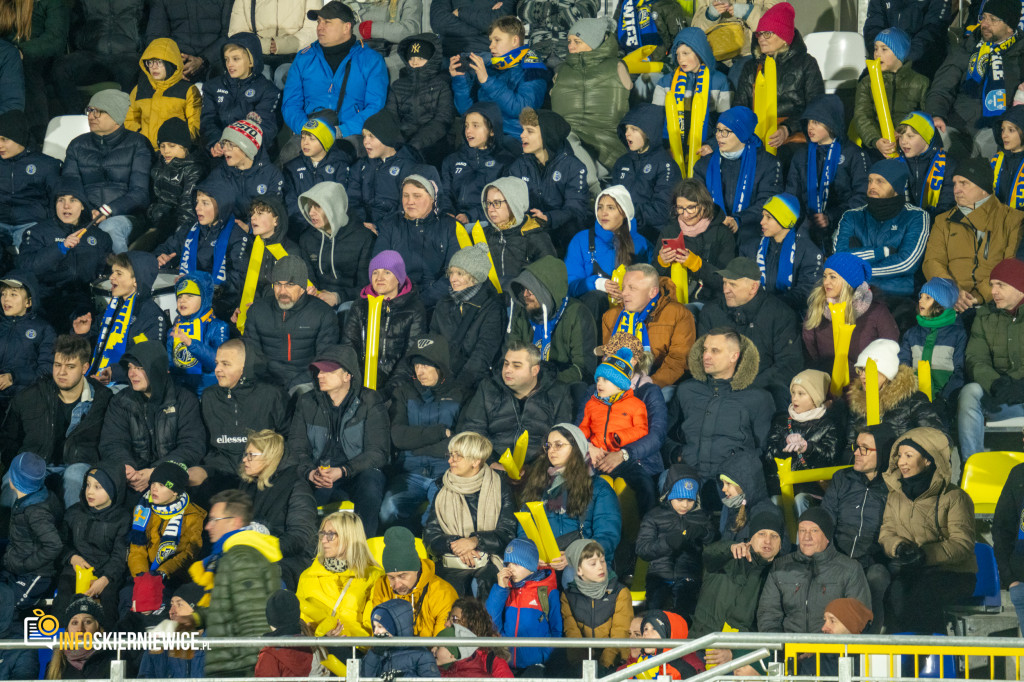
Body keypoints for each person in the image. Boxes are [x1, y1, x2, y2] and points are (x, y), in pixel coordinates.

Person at [879, 427, 977, 633]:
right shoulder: (895, 495)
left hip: (953, 574)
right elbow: (887, 533)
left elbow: (962, 544)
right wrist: (899, 548)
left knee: (919, 594)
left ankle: (931, 656)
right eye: (899, 456)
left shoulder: (955, 497)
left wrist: (925, 554)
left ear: (928, 460)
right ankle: (904, 657)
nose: (901, 462)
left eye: (908, 455)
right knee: (893, 592)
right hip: (911, 570)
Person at [0, 334, 112, 508]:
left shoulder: (103, 400)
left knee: (76, 475)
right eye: (57, 365)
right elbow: (8, 440)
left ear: (85, 368)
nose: (61, 372)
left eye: (70, 366)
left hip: (78, 465)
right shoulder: (29, 397)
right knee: (12, 485)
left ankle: (71, 532)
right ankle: (11, 533)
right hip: (35, 463)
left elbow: (110, 444)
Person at [288, 345, 389, 534]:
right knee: (291, 484)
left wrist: (343, 471)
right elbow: (296, 447)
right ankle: (305, 548)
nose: (319, 376)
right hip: (319, 472)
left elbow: (378, 452)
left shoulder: (369, 400)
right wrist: (310, 473)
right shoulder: (307, 401)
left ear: (347, 375)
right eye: (318, 370)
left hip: (356, 472)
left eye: (328, 371)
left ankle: (363, 550)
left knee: (371, 483)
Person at [381, 335, 468, 530]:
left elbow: (462, 440)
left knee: (437, 518)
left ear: (440, 366)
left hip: (447, 472)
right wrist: (441, 432)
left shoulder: (460, 393)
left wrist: (416, 440)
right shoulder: (404, 392)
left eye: (427, 366)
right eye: (417, 366)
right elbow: (399, 437)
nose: (420, 371)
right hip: (410, 472)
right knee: (388, 510)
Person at [192, 489, 283, 677]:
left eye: (214, 520)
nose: (208, 526)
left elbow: (255, 619)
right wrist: (191, 621)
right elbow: (227, 608)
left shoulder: (242, 557)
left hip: (240, 668)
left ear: (234, 522)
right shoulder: (230, 556)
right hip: (232, 664)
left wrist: (250, 670)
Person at [98, 339, 206, 495]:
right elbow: (112, 442)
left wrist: (156, 472)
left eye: (139, 368)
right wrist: (127, 467)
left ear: (157, 369)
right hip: (133, 479)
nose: (131, 373)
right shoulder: (120, 401)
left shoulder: (184, 400)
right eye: (129, 367)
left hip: (170, 479)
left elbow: (192, 446)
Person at [697, 256, 804, 409]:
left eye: (732, 284)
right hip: (716, 389)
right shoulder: (711, 312)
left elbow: (789, 363)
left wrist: (747, 387)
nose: (725, 289)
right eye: (725, 282)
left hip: (761, 391)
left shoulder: (780, 314)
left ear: (753, 287)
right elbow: (701, 357)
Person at [664, 330, 773, 481]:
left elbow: (764, 448)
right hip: (688, 475)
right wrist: (677, 454)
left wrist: (739, 469)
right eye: (705, 350)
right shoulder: (686, 390)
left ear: (734, 356)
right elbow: (663, 434)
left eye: (715, 351)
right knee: (667, 481)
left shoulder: (758, 397)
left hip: (733, 482)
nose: (706, 356)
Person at [822, 423, 897, 632]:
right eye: (856, 447)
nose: (857, 453)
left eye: (865, 449)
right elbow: (826, 520)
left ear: (882, 453)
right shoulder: (842, 479)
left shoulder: (894, 487)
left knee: (877, 577)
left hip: (872, 560)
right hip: (837, 557)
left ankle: (869, 642)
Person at [281, 1, 388, 149]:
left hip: (351, 135)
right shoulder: (304, 57)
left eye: (327, 22)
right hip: (309, 133)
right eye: (319, 22)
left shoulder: (371, 60)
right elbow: (290, 104)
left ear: (346, 27)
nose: (320, 27)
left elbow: (375, 107)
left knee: (344, 159)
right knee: (289, 158)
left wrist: (341, 131)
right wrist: (307, 130)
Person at [925, 0, 1024, 158]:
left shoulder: (1020, 56)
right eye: (983, 17)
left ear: (1009, 26)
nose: (985, 24)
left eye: (993, 19)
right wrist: (936, 114)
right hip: (958, 126)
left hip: (999, 131)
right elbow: (942, 87)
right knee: (932, 138)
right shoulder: (967, 48)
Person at [923, 157, 1024, 311]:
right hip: (951, 302)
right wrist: (952, 293)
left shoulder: (1013, 219)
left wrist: (979, 296)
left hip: (994, 303)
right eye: (955, 183)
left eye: (964, 183)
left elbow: (1011, 266)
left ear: (983, 187)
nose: (956, 189)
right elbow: (932, 261)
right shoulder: (943, 221)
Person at [424, 431, 517, 596]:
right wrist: (458, 545)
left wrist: (475, 541)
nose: (450, 460)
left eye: (457, 456)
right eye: (450, 455)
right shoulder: (442, 489)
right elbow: (430, 538)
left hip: (489, 560)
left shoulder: (500, 488)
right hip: (451, 562)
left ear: (476, 461)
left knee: (482, 583)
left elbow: (507, 534)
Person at [757, 508, 871, 641]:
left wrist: (824, 649)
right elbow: (768, 615)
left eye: (814, 531)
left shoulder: (849, 569)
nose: (806, 537)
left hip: (832, 654)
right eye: (802, 531)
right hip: (789, 652)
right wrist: (781, 648)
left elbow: (857, 618)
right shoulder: (780, 567)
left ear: (827, 536)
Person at [693, 513, 785, 674]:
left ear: (781, 544)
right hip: (701, 647)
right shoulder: (728, 558)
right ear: (750, 538)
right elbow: (709, 554)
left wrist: (735, 653)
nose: (767, 541)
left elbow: (766, 627)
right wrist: (729, 548)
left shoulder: (781, 577)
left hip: (738, 657)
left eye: (774, 536)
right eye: (761, 534)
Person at [61, 90, 151, 254]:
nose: (91, 116)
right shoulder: (77, 145)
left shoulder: (138, 143)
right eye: (90, 110)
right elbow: (70, 186)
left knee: (110, 227)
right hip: (86, 214)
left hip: (126, 216)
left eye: (99, 111)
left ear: (117, 116)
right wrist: (88, 211)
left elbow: (140, 194)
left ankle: (122, 273)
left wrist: (108, 211)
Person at [582, 333, 668, 503]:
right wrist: (588, 446)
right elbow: (580, 425)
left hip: (640, 463)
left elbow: (656, 435)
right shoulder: (594, 390)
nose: (604, 359)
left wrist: (623, 454)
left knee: (639, 491)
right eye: (605, 356)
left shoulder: (648, 392)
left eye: (609, 355)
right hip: (596, 458)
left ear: (633, 361)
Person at [517, 424, 622, 559]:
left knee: (570, 573)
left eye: (558, 445)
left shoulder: (599, 488)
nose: (551, 451)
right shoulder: (538, 483)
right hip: (544, 559)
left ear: (576, 448)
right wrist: (533, 557)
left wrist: (574, 556)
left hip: (586, 560)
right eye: (548, 446)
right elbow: (524, 531)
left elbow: (607, 536)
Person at [456, 343, 573, 461]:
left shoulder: (558, 393)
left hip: (540, 469)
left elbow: (563, 438)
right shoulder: (488, 388)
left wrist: (539, 469)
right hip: (493, 465)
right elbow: (473, 430)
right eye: (506, 364)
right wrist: (491, 463)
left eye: (516, 366)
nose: (507, 370)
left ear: (535, 370)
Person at [833, 159, 930, 301]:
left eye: (880, 181)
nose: (872, 186)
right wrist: (881, 253)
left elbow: (906, 264)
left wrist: (858, 272)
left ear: (896, 187)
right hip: (854, 297)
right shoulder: (852, 216)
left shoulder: (916, 216)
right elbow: (840, 259)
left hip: (898, 298)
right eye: (870, 181)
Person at [692, 105, 783, 257]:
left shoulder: (768, 164)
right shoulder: (703, 165)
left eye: (726, 132)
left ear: (742, 134)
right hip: (712, 233)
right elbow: (696, 200)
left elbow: (768, 202)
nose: (719, 136)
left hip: (752, 234)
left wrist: (738, 220)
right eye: (718, 130)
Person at [17, 181, 112, 323]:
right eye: (61, 200)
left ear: (82, 206)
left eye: (73, 200)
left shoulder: (100, 237)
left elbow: (107, 271)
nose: (66, 206)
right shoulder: (37, 232)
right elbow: (26, 267)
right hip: (49, 302)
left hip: (87, 302)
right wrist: (60, 248)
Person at [198, 339, 287, 489]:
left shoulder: (271, 395)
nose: (217, 369)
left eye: (225, 364)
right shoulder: (209, 396)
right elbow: (201, 442)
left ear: (244, 367)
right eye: (217, 363)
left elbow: (286, 438)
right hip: (218, 471)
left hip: (260, 472)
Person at [958, 257, 1024, 460]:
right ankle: (972, 467)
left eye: (1001, 285)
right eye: (992, 285)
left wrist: (1017, 384)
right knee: (970, 392)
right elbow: (975, 358)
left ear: (1019, 287)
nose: (993, 291)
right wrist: (995, 383)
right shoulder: (985, 315)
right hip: (997, 396)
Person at [734, 2, 825, 149]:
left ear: (784, 38)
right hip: (756, 136)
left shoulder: (806, 64)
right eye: (759, 33)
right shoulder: (750, 67)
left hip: (794, 136)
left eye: (767, 33)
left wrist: (786, 128)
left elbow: (816, 108)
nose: (761, 38)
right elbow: (738, 109)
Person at [243, 255, 340, 392]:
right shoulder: (257, 311)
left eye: (290, 285)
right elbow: (251, 355)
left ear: (303, 287)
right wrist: (268, 386)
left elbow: (324, 359)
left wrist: (296, 384)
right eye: (278, 284)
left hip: (306, 381)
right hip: (266, 383)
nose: (282, 291)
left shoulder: (323, 314)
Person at [785, 95, 869, 251]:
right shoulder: (800, 155)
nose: (810, 127)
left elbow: (862, 195)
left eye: (816, 122)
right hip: (806, 224)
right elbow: (791, 193)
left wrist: (831, 216)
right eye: (809, 121)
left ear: (831, 123)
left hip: (843, 224)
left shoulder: (853, 154)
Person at [238, 430, 317, 591]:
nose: (245, 459)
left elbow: (301, 536)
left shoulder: (296, 486)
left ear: (269, 457)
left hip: (289, 560)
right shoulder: (247, 485)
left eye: (251, 455)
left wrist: (264, 549)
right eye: (245, 454)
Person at [564, 186, 654, 321]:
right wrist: (597, 284)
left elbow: (651, 284)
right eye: (600, 207)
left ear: (624, 212)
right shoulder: (581, 240)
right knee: (596, 298)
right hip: (593, 312)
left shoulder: (642, 244)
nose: (603, 213)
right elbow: (569, 286)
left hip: (631, 310)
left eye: (610, 208)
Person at [551, 18, 632, 168]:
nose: (571, 47)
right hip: (566, 143)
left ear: (594, 41)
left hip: (606, 148)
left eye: (577, 41)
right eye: (569, 41)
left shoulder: (618, 66)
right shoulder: (562, 70)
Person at [342, 250, 426, 394]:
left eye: (387, 272)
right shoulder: (360, 306)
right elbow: (348, 346)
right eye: (375, 272)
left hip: (396, 382)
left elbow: (410, 355)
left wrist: (391, 389)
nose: (379, 278)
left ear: (398, 277)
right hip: (360, 379)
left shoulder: (414, 308)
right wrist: (355, 381)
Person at [373, 173, 462, 308]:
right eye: (405, 195)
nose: (410, 202)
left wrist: (422, 301)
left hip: (439, 302)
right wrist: (400, 298)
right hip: (397, 299)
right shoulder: (390, 224)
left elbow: (455, 272)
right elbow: (380, 267)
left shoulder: (450, 226)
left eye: (417, 196)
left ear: (432, 198)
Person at [801, 252, 899, 375]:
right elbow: (811, 354)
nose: (826, 282)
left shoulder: (877, 313)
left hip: (864, 387)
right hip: (827, 386)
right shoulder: (816, 310)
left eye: (832, 277)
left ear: (849, 282)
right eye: (825, 276)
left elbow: (890, 354)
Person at [601, 263, 696, 389]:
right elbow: (608, 358)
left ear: (652, 292)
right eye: (623, 288)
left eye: (632, 288)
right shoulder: (611, 316)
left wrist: (649, 383)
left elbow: (678, 361)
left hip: (660, 385)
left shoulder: (678, 314)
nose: (624, 293)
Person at [507, 255, 599, 385]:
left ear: (545, 292)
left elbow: (583, 369)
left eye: (531, 290)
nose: (525, 295)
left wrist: (542, 383)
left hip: (560, 383)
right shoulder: (522, 312)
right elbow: (511, 353)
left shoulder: (578, 314)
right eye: (523, 289)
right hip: (525, 378)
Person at [451, 16, 548, 138]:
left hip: (513, 138)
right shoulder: (490, 68)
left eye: (497, 40)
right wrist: (459, 79)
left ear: (514, 41)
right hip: (486, 137)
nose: (491, 46)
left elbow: (523, 109)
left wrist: (487, 81)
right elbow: (467, 112)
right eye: (491, 41)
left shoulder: (532, 68)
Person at [651, 27, 730, 176]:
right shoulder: (665, 82)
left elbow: (727, 122)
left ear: (700, 52)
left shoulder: (720, 81)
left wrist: (712, 145)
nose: (681, 59)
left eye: (686, 53)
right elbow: (654, 121)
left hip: (706, 149)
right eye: (678, 54)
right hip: (671, 150)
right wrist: (665, 148)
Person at [154, 181, 250, 303]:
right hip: (184, 296)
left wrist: (198, 282)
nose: (197, 208)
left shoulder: (237, 236)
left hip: (218, 303)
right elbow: (165, 249)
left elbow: (238, 280)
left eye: (205, 203)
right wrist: (161, 258)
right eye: (197, 202)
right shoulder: (190, 228)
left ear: (221, 206)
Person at [636, 471, 715, 617]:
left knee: (685, 617)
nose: (685, 505)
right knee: (656, 618)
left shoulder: (701, 517)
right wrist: (667, 543)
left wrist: (703, 532)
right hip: (659, 577)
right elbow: (642, 549)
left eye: (690, 500)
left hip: (689, 577)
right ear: (668, 495)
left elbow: (712, 541)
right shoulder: (654, 516)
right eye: (680, 499)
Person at [507, 108, 589, 249]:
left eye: (530, 131)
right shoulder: (519, 165)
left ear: (548, 135)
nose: (522, 135)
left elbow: (576, 211)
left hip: (562, 235)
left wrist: (548, 218)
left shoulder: (573, 167)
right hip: (529, 232)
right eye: (523, 130)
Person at [55, 463, 128, 622]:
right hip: (77, 567)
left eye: (98, 487)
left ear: (112, 489)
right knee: (65, 590)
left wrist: (105, 579)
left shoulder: (123, 519)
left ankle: (106, 644)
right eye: (87, 485)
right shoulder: (74, 512)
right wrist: (72, 558)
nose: (90, 491)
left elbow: (120, 555)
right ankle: (59, 641)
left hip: (107, 572)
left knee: (109, 597)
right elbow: (60, 541)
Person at [0, 452, 62, 630]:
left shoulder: (36, 512)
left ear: (13, 479)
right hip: (16, 569)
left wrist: (25, 564)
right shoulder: (30, 499)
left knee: (7, 608)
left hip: (35, 576)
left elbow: (54, 544)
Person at [86, 251, 169, 385]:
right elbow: (96, 344)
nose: (111, 277)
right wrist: (83, 333)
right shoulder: (113, 308)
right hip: (99, 378)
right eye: (112, 272)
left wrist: (114, 373)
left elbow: (147, 360)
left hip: (127, 386)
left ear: (136, 280)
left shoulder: (151, 316)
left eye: (119, 273)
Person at [428, 245, 504, 389]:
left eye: (459, 274)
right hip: (443, 377)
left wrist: (460, 384)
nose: (452, 279)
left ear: (475, 276)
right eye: (450, 273)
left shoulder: (492, 307)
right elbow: (433, 343)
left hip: (473, 381)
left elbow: (483, 352)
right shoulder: (443, 304)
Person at [297, 511, 382, 637]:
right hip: (317, 651)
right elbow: (300, 624)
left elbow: (376, 630)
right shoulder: (307, 576)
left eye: (330, 535)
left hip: (356, 652)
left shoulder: (374, 577)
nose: (324, 540)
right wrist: (320, 634)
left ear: (349, 538)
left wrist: (342, 635)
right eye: (322, 534)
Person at [764, 369, 846, 498]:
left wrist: (808, 447)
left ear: (815, 397)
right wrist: (784, 444)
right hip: (781, 486)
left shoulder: (829, 425)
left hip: (813, 489)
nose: (795, 398)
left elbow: (831, 457)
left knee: (801, 499)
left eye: (801, 394)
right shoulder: (781, 421)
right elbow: (769, 455)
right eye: (793, 393)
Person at [51, 0, 143, 115]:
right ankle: (78, 116)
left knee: (135, 70)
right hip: (91, 53)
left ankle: (127, 123)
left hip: (127, 53)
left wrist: (138, 45)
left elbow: (146, 23)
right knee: (61, 68)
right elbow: (76, 22)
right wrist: (81, 42)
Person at [853, 28, 931, 160]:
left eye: (884, 49)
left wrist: (903, 133)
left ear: (899, 52)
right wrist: (876, 140)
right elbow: (862, 115)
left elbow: (925, 117)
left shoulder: (921, 82)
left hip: (909, 147)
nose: (877, 54)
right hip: (877, 147)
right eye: (876, 49)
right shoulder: (867, 82)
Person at [486, 539, 562, 674]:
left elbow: (556, 629)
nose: (510, 569)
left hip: (536, 665)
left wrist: (545, 655)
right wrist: (499, 589)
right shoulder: (505, 589)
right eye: (508, 564)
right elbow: (490, 623)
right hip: (505, 664)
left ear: (531, 565)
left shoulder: (547, 591)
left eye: (516, 563)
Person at [847, 339, 944, 443]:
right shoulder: (858, 404)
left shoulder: (914, 401)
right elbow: (850, 445)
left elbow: (936, 439)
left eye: (868, 370)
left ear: (886, 372)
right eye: (860, 370)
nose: (862, 375)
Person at [655, 178, 736, 303]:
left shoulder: (722, 234)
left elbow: (727, 281)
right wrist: (662, 262)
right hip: (671, 300)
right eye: (680, 208)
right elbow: (653, 276)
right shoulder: (669, 232)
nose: (685, 214)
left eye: (691, 207)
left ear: (704, 205)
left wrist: (696, 265)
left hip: (710, 302)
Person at [127, 460, 206, 589]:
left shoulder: (192, 515)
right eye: (153, 483)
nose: (154, 489)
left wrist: (162, 572)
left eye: (162, 485)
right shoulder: (143, 510)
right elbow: (137, 551)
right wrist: (141, 576)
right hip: (144, 576)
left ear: (175, 491)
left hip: (175, 578)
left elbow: (189, 553)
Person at [199, 33, 282, 155]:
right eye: (226, 59)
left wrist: (238, 146)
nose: (229, 64)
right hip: (220, 151)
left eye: (236, 59)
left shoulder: (268, 90)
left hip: (251, 154)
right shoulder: (212, 86)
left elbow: (266, 127)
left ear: (251, 61)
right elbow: (208, 121)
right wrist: (216, 142)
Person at [370, 525, 460, 636]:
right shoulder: (382, 585)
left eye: (402, 576)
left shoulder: (442, 593)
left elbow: (442, 643)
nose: (397, 585)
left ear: (416, 570)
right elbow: (377, 632)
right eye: (391, 578)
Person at [612, 105, 682, 245]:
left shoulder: (666, 166)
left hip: (651, 234)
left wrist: (626, 214)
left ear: (649, 133)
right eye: (626, 128)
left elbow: (663, 210)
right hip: (620, 228)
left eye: (634, 129)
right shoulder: (622, 162)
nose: (627, 134)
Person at [297, 180, 374, 308]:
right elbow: (309, 278)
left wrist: (338, 297)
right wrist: (311, 291)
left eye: (318, 206)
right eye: (309, 207)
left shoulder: (363, 237)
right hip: (318, 301)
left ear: (334, 206)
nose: (311, 213)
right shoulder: (306, 239)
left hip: (350, 302)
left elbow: (367, 286)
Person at [898, 277, 967, 416]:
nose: (921, 301)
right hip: (914, 400)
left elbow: (960, 371)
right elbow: (903, 366)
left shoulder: (957, 334)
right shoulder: (911, 333)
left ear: (940, 304)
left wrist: (944, 399)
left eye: (928, 298)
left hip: (943, 401)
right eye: (921, 296)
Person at [561, 538, 633, 671]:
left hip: (614, 664)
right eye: (592, 563)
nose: (601, 567)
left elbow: (620, 633)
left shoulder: (620, 592)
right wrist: (581, 666)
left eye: (602, 561)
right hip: (582, 665)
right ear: (579, 570)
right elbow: (572, 633)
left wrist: (603, 666)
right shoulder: (568, 595)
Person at [438, 102, 513, 226]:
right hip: (454, 222)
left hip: (488, 223)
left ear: (492, 130)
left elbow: (505, 204)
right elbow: (445, 193)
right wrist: (447, 212)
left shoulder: (505, 161)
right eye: (466, 126)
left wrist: (470, 216)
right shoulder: (452, 160)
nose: (468, 131)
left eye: (475, 125)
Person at [385, 34, 454, 164]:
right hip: (402, 142)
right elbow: (390, 117)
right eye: (412, 57)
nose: (415, 62)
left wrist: (415, 145)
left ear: (431, 60)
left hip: (434, 143)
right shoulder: (398, 85)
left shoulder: (441, 85)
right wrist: (400, 143)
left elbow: (443, 120)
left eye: (421, 58)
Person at [235, 197, 303, 328]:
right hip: (255, 311)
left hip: (282, 316)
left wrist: (260, 307)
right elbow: (246, 285)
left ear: (276, 220)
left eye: (260, 213)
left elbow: (290, 291)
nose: (253, 218)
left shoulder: (290, 250)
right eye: (252, 214)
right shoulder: (250, 248)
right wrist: (239, 308)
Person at [348, 112, 422, 231]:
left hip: (395, 229)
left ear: (386, 137)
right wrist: (362, 223)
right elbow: (352, 199)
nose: (365, 142)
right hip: (363, 227)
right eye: (364, 136)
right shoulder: (361, 166)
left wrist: (379, 226)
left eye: (371, 136)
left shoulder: (408, 167)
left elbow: (407, 208)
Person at [0, 110, 61, 252]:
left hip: (30, 223)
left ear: (19, 138)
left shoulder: (45, 164)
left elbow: (56, 198)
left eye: (4, 139)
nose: (0, 145)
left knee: (29, 258)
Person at [125, 38, 202, 150]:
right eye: (150, 62)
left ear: (171, 62)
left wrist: (177, 146)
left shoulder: (187, 90)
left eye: (159, 62)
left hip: (174, 151)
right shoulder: (139, 89)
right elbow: (131, 120)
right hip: (143, 150)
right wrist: (139, 139)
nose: (153, 67)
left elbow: (194, 125)